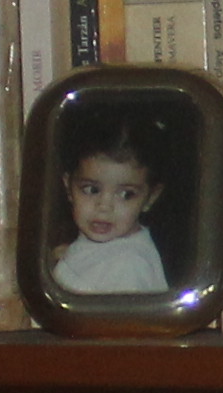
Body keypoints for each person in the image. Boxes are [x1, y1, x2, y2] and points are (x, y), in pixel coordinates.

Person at [49, 116, 178, 300]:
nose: (104, 207)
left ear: (150, 197)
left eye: (126, 194)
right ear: (68, 187)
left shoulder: (129, 268)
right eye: (91, 190)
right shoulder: (105, 250)